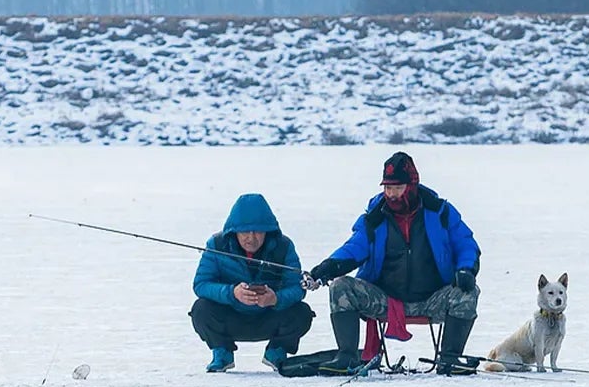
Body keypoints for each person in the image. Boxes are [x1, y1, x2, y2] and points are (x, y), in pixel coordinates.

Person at [305, 152, 481, 374]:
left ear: (412, 186)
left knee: (469, 291)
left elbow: (466, 244)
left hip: (433, 299)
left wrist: (466, 269)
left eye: (397, 188)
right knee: (341, 287)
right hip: (386, 301)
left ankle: (449, 359)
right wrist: (328, 267)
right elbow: (354, 248)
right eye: (387, 188)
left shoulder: (441, 212)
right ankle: (347, 358)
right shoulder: (374, 218)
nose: (392, 194)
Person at [190, 193, 314, 372]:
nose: (251, 237)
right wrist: (232, 293)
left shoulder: (284, 246)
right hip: (231, 315)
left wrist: (275, 299)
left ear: (268, 231)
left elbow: (297, 287)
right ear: (234, 231)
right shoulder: (216, 245)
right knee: (201, 309)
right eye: (245, 231)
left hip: (269, 315)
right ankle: (222, 351)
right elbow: (201, 284)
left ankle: (277, 350)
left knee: (302, 312)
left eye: (258, 231)